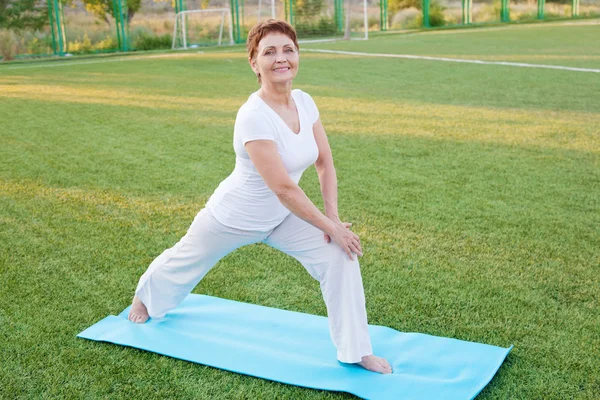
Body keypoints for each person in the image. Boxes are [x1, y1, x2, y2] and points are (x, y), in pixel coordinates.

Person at [128, 19, 392, 374]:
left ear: (297, 55)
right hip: (235, 216)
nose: (280, 58)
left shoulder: (305, 101)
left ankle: (356, 350)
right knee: (185, 260)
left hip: (284, 217)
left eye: (288, 50)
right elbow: (282, 187)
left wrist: (333, 220)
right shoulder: (252, 115)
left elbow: (324, 162)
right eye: (269, 52)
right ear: (254, 62)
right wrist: (328, 223)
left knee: (340, 254)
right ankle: (145, 296)